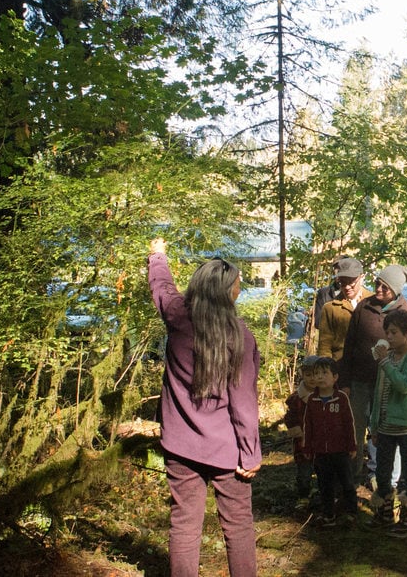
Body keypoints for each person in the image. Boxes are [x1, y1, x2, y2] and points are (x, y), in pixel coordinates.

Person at [147, 238, 260, 577]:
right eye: (238, 286)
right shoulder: (239, 335)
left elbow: (162, 286)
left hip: (180, 445)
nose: (240, 291)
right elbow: (244, 404)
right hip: (228, 452)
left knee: (183, 524)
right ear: (226, 293)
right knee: (238, 525)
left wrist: (157, 255)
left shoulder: (178, 316)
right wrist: (250, 453)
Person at [340, 264, 407, 485]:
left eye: (385, 287)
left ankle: (381, 478)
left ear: (396, 289)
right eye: (377, 284)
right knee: (354, 429)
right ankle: (351, 476)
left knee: (383, 433)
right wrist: (345, 381)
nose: (379, 290)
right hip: (359, 381)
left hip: (388, 385)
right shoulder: (364, 307)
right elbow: (349, 346)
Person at [370, 309, 407, 538]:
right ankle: (384, 513)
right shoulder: (388, 359)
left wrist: (384, 362)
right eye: (387, 332)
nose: (389, 337)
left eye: (394, 332)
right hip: (385, 426)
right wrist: (374, 424)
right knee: (383, 470)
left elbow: (404, 385)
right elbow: (378, 392)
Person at [304, 357, 358, 527]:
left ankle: (351, 512)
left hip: (341, 451)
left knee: (347, 482)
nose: (320, 377)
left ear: (335, 377)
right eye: (316, 373)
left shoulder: (341, 399)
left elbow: (349, 423)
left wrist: (352, 446)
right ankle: (328, 515)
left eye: (324, 373)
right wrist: (308, 447)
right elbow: (308, 425)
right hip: (320, 452)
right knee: (324, 484)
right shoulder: (312, 401)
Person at [316, 257, 371, 363]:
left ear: (362, 277)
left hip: (368, 371)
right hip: (340, 369)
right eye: (342, 283)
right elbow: (324, 346)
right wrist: (328, 370)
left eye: (351, 283)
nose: (347, 287)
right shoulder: (330, 308)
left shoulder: (373, 302)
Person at [283, 356, 319, 511]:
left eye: (316, 374)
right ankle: (303, 495)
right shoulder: (297, 398)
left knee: (324, 471)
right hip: (303, 444)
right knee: (304, 472)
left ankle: (322, 494)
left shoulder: (328, 395)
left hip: (323, 443)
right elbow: (289, 417)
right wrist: (295, 429)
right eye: (308, 375)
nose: (312, 379)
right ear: (303, 375)